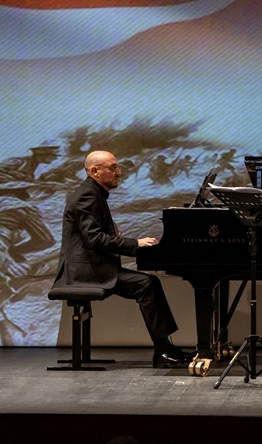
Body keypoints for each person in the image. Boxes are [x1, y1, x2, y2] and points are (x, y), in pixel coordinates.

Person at [50, 150, 186, 367]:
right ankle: (162, 352)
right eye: (113, 168)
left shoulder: (93, 192)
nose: (118, 172)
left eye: (117, 167)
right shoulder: (88, 195)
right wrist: (136, 244)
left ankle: (165, 349)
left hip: (92, 268)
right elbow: (93, 239)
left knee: (148, 284)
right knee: (148, 284)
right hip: (85, 273)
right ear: (95, 171)